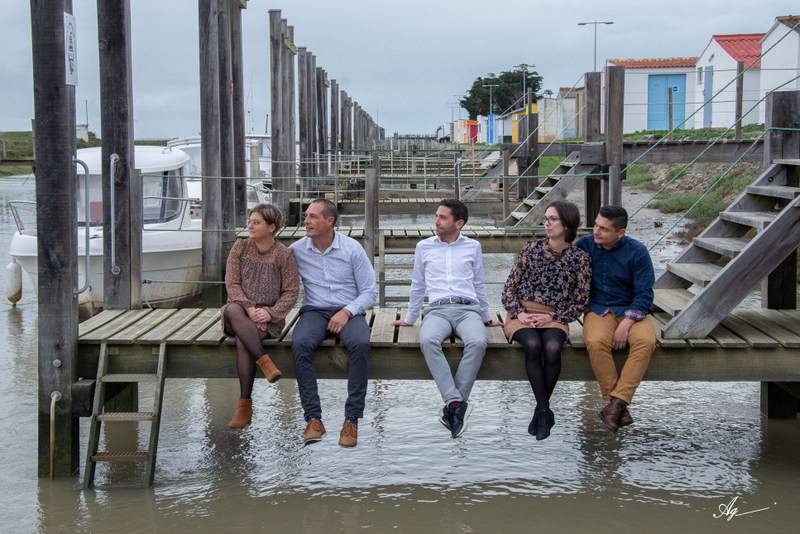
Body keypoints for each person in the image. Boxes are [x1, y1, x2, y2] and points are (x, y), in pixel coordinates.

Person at [393, 199, 502, 439]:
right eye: (436, 216)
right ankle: (455, 403)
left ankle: (454, 406)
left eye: (442, 217)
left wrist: (486, 317)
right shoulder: (424, 246)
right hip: (437, 310)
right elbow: (417, 284)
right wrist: (410, 317)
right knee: (428, 340)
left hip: (468, 310)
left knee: (478, 342)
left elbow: (479, 284)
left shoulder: (473, 246)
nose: (436, 221)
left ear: (458, 223)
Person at [289, 199, 377, 448]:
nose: (306, 221)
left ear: (330, 221)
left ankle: (352, 419)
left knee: (360, 344)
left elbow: (370, 292)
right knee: (300, 343)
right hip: (314, 310)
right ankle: (313, 419)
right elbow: (276, 275)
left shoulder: (352, 249)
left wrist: (347, 311)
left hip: (349, 310)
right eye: (306, 216)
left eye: (312, 216)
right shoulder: (296, 250)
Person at [501, 201, 591, 440]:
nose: (547, 224)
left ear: (567, 224)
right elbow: (508, 289)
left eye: (553, 219)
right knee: (533, 345)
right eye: (546, 219)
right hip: (522, 314)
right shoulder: (531, 249)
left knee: (552, 347)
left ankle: (541, 410)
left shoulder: (580, 258)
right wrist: (520, 312)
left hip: (555, 317)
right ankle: (544, 410)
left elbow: (580, 301)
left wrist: (553, 316)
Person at [576, 205, 657, 433]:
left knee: (646, 342)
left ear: (620, 232)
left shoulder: (637, 251)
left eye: (604, 229)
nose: (596, 231)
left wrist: (627, 323)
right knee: (595, 342)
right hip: (598, 308)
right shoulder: (584, 246)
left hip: (631, 309)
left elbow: (645, 293)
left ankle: (616, 404)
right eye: (595, 225)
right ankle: (617, 404)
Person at [223, 203, 299, 429]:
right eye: (250, 221)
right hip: (239, 312)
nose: (250, 226)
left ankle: (244, 404)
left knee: (244, 341)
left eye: (256, 222)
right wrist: (249, 308)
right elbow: (232, 284)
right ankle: (265, 362)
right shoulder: (240, 247)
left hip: (267, 319)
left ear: (271, 227)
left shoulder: (284, 254)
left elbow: (291, 292)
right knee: (232, 309)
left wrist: (270, 313)